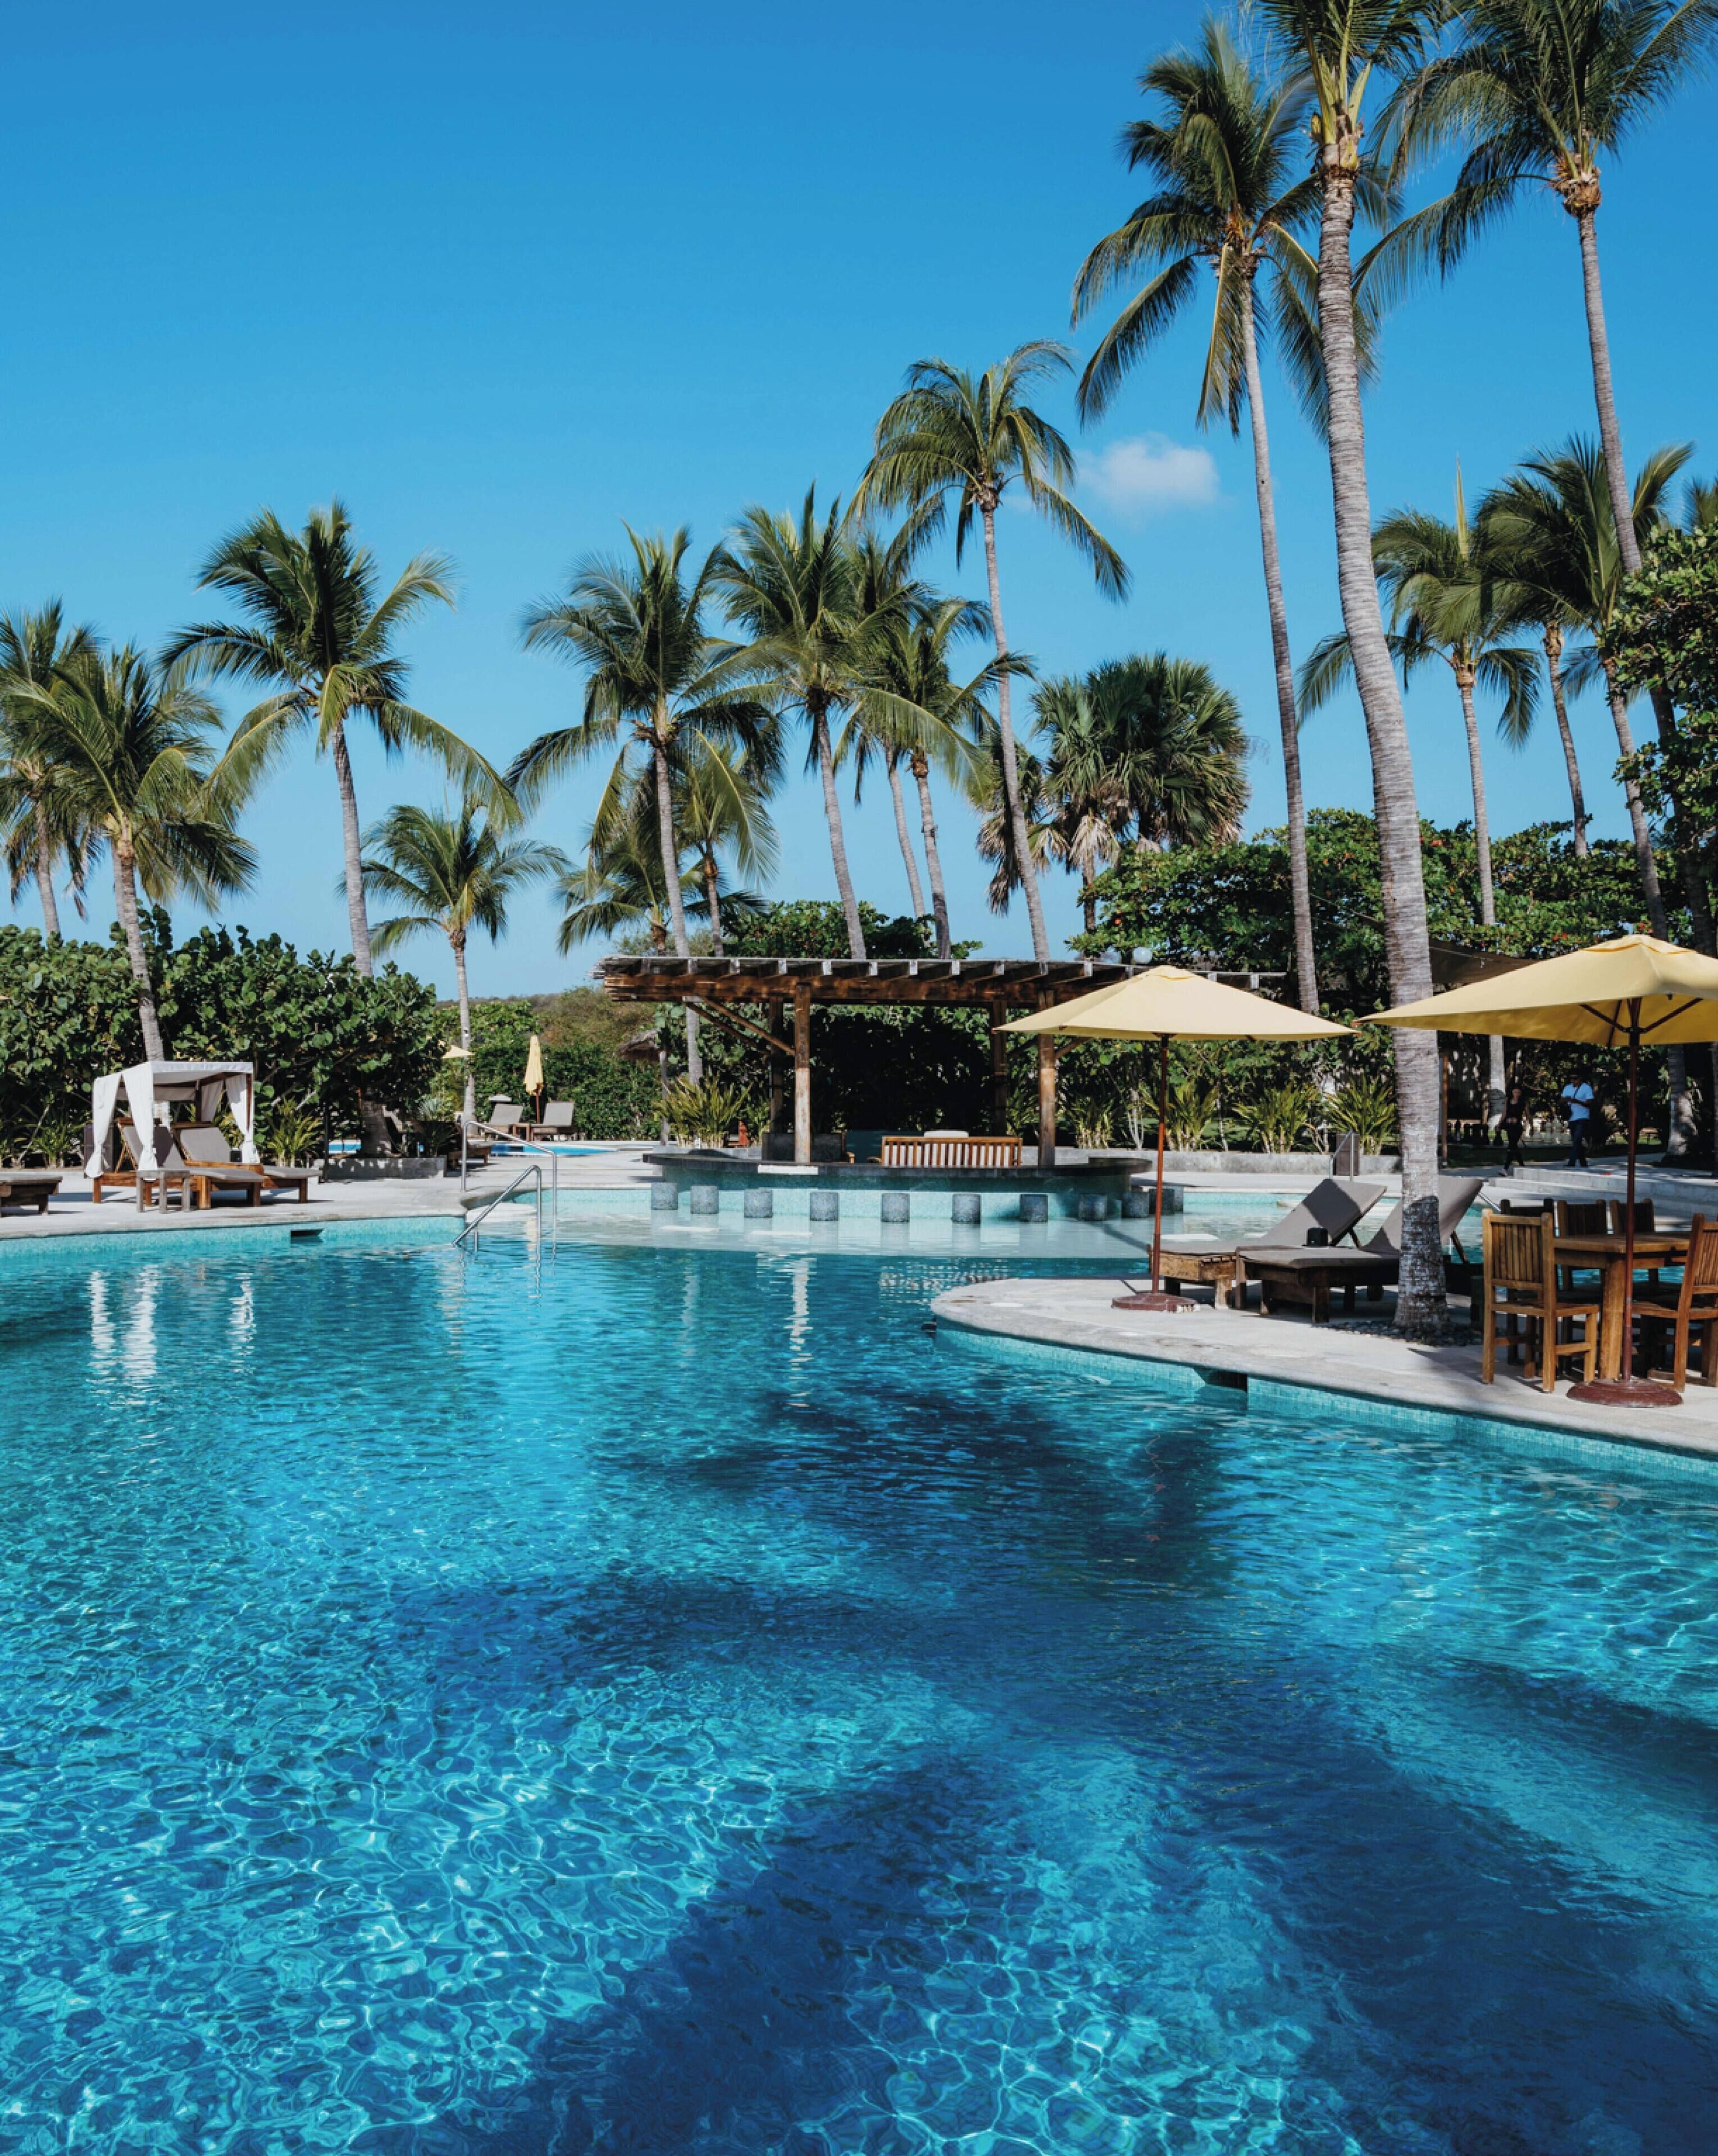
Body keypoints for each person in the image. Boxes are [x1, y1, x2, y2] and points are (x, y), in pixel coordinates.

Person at [1561, 1070, 1596, 1168]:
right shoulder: (1567, 1088)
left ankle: (1571, 1162)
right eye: (1571, 1079)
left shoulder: (1586, 1088)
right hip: (1572, 1117)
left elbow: (1590, 1102)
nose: (1573, 1081)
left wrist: (1578, 1102)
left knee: (1577, 1139)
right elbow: (1561, 1100)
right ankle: (1583, 1162)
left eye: (1575, 1079)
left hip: (1582, 1117)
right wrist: (1566, 1100)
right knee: (1576, 1141)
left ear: (1580, 1079)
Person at [1503, 1077, 1529, 1172]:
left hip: (1517, 1127)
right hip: (1509, 1126)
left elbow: (1528, 1114)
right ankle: (1522, 1166)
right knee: (1514, 1147)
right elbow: (1504, 1113)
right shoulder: (1508, 1101)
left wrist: (1531, 1125)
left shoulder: (1523, 1102)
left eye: (1519, 1092)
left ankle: (1505, 1169)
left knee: (1512, 1147)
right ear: (1512, 1092)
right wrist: (1500, 1124)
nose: (1517, 1094)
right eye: (1515, 1092)